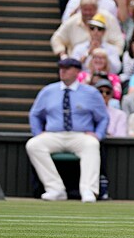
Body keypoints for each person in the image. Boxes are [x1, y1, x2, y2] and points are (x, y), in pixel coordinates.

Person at [26, 58, 108, 203]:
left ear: (77, 71)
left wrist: (98, 134)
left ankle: (88, 190)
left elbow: (103, 117)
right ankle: (55, 189)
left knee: (92, 144)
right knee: (34, 144)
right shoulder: (48, 91)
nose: (63, 71)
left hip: (80, 135)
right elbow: (35, 114)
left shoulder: (91, 93)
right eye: (61, 68)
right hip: (54, 134)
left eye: (67, 68)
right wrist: (38, 133)